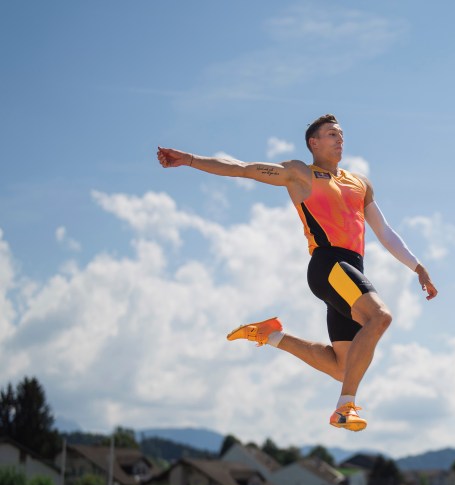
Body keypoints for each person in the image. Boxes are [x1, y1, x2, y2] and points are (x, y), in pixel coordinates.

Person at [157, 114, 437, 431]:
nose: (339, 139)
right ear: (313, 143)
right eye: (332, 134)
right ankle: (345, 408)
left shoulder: (360, 184)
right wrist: (190, 159)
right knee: (380, 317)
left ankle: (270, 334)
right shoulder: (299, 174)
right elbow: (242, 168)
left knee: (343, 367)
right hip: (328, 265)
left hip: (350, 273)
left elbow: (384, 231)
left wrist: (417, 266)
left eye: (342, 134)